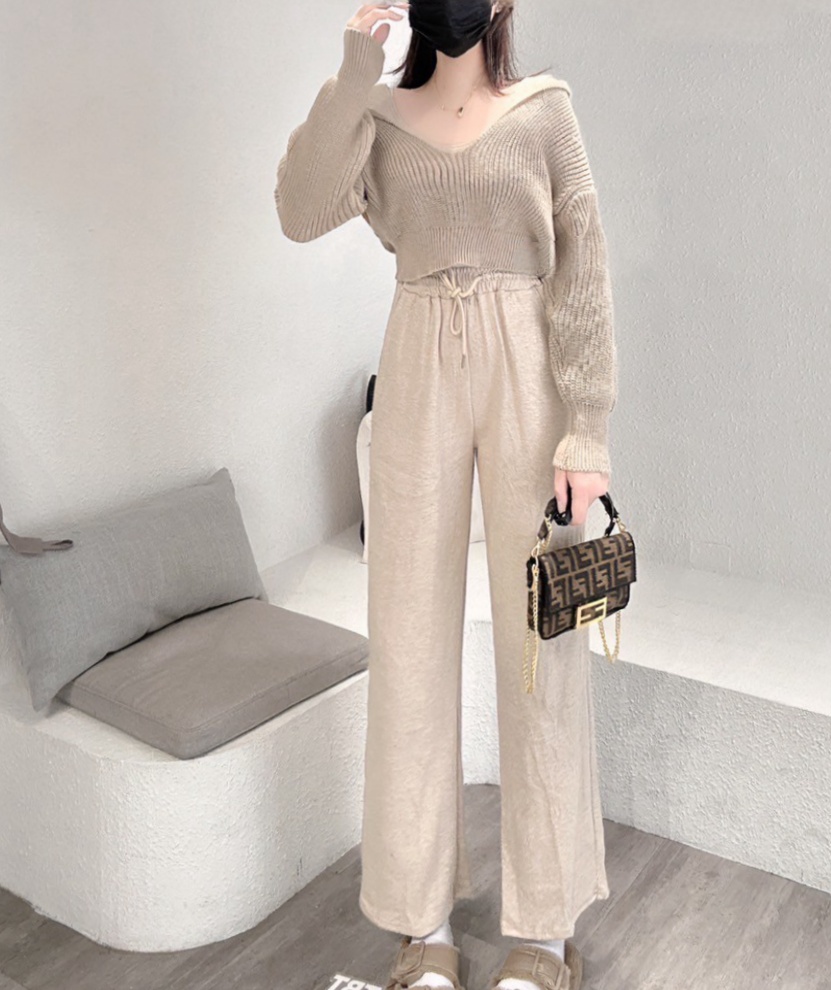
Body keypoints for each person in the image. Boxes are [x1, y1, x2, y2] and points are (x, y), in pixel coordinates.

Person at [274, 2, 618, 987]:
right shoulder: (377, 117)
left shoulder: (546, 110)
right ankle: (419, 927)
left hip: (529, 369)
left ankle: (544, 933)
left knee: (541, 650)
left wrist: (587, 427)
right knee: (409, 644)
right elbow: (300, 209)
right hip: (418, 355)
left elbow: (583, 268)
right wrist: (356, 66)